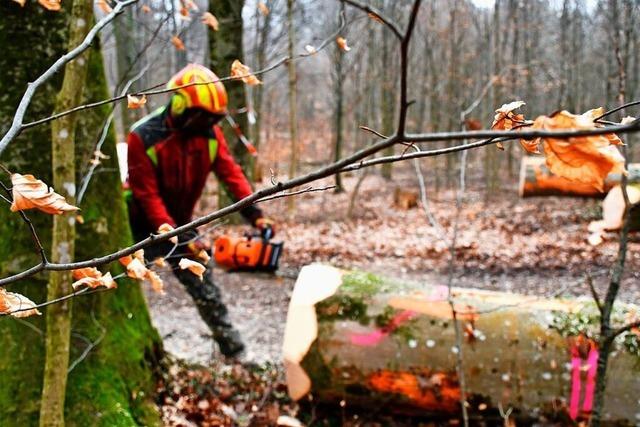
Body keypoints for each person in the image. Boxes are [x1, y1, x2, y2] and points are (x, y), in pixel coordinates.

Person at [126, 63, 274, 358]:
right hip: (137, 224)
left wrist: (255, 214)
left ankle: (234, 351)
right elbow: (147, 194)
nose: (205, 125)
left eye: (210, 120)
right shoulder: (143, 136)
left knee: (205, 287)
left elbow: (230, 173)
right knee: (126, 289)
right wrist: (177, 237)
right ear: (180, 106)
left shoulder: (208, 134)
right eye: (201, 118)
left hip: (179, 222)